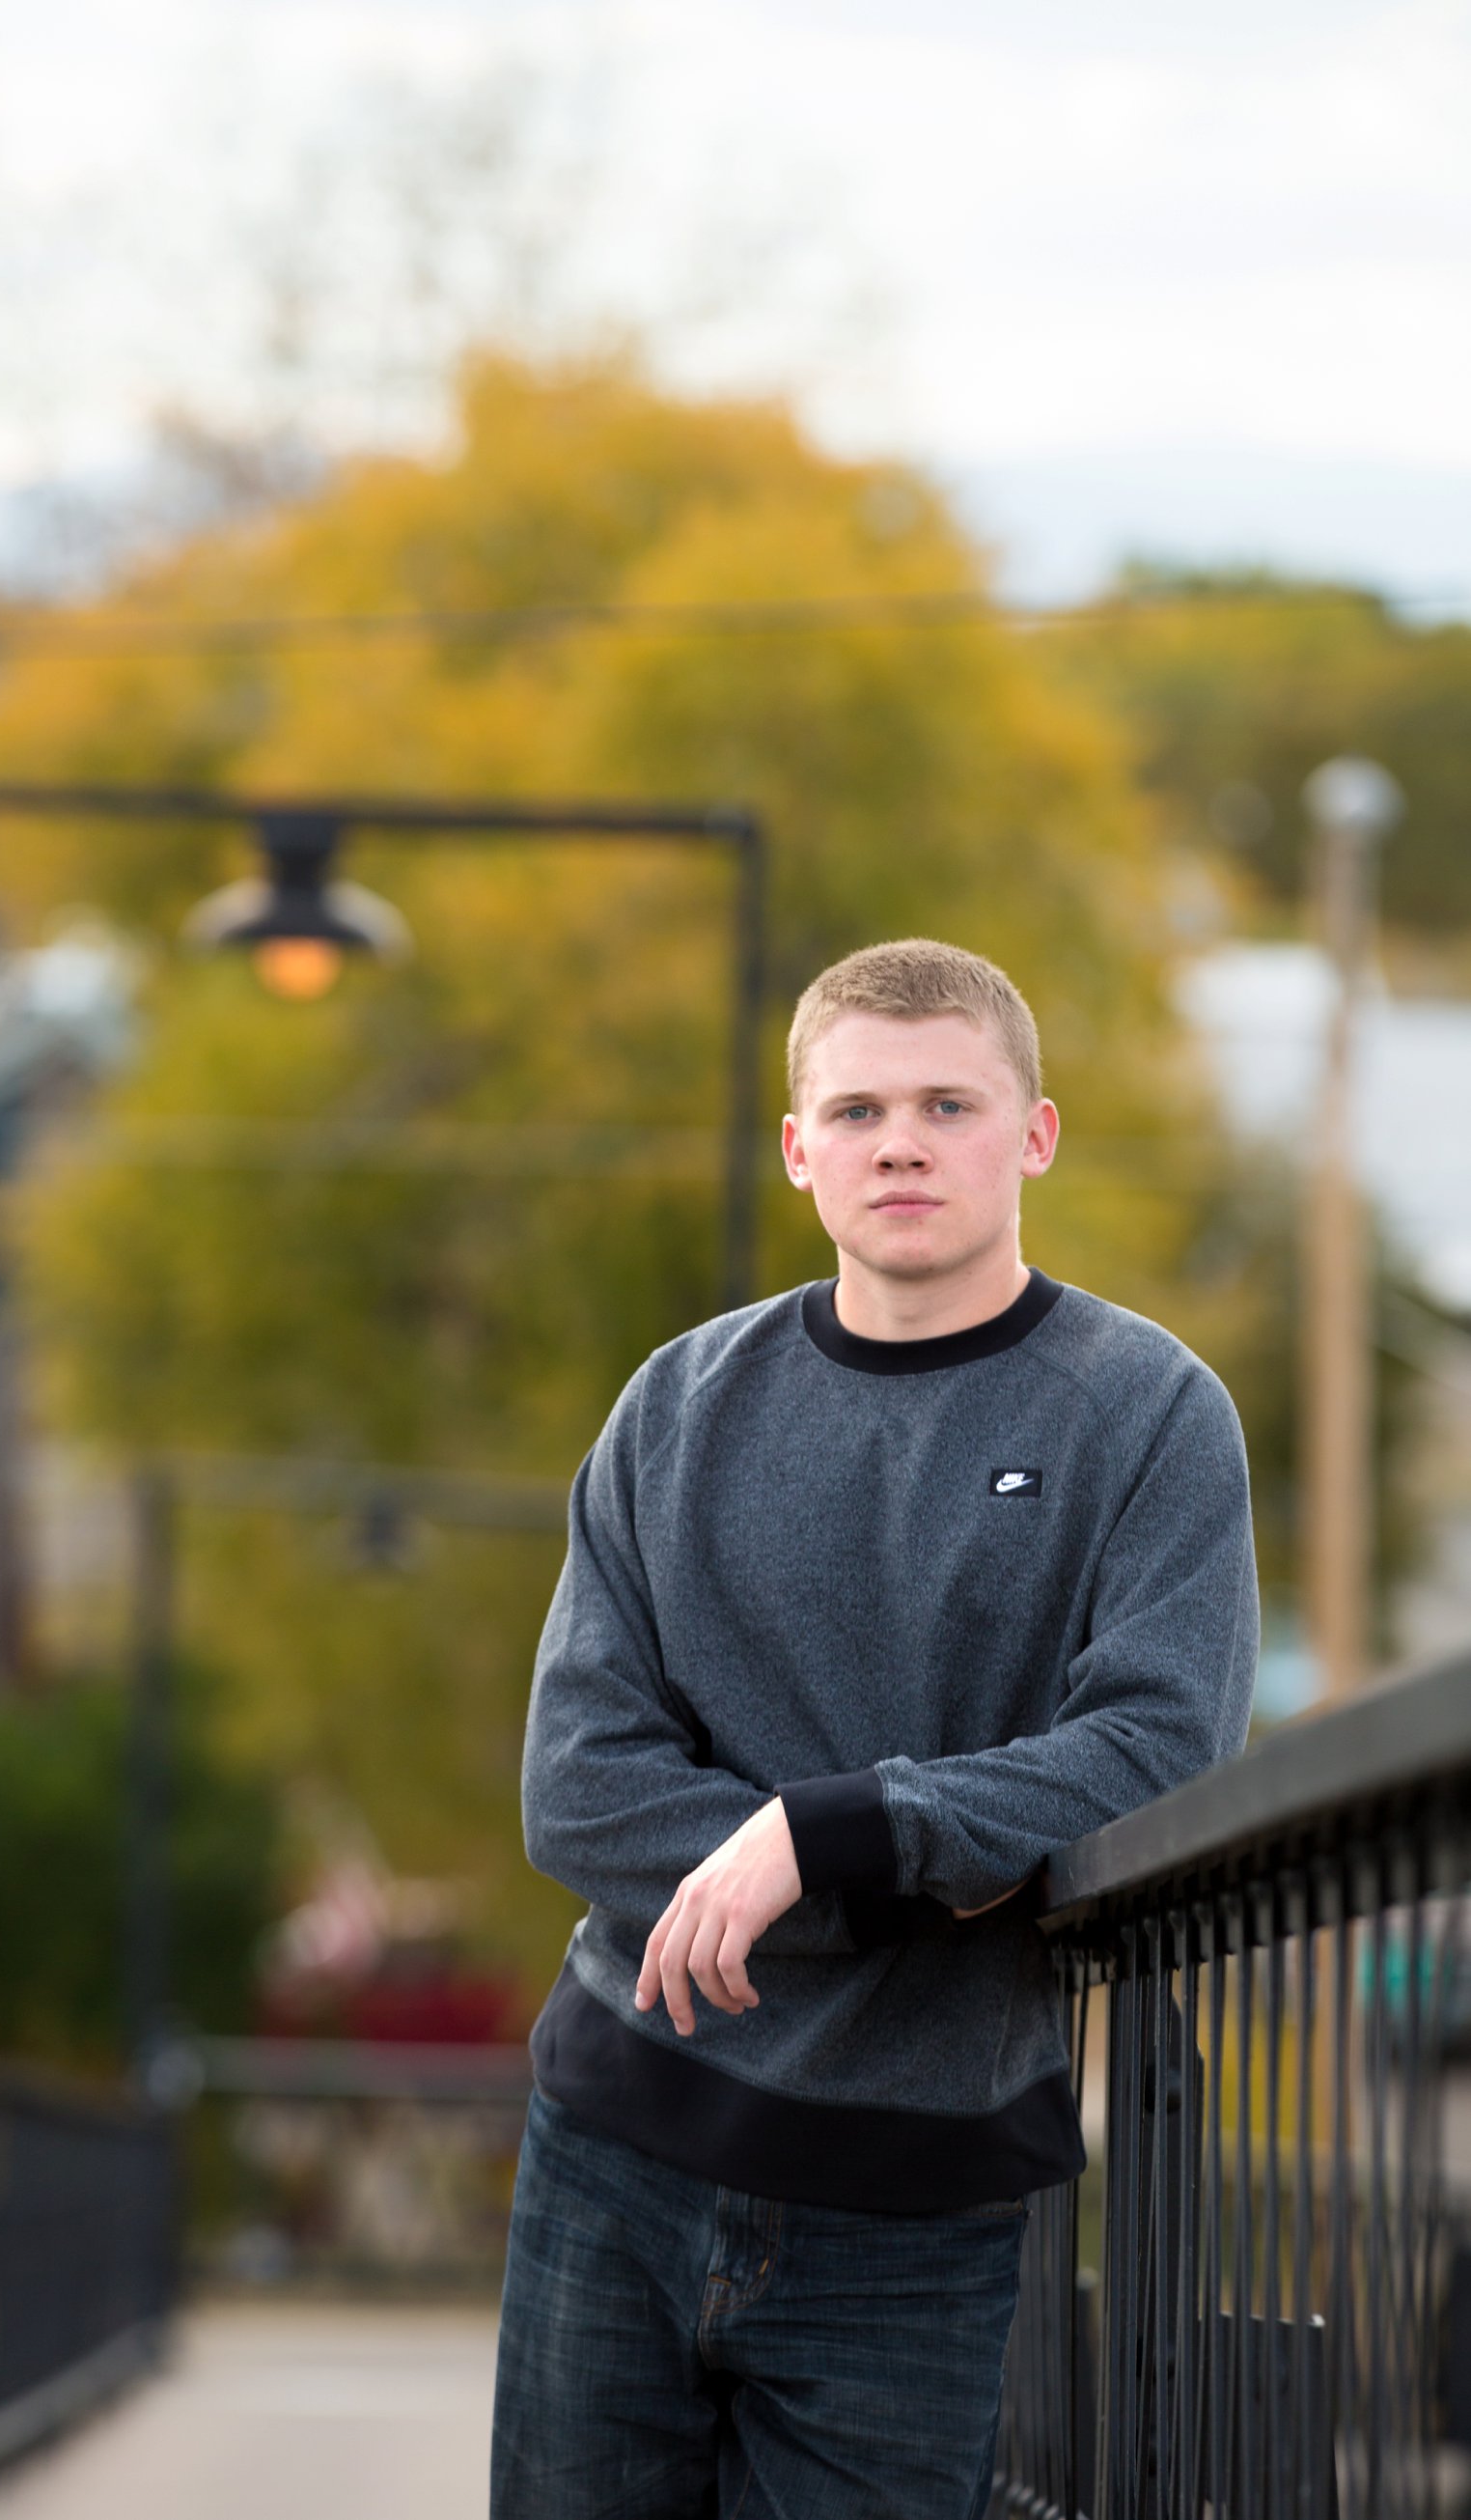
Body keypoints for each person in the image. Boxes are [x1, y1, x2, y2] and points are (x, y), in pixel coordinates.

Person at [491, 938, 1258, 2520]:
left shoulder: (1148, 1412)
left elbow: (1161, 1742)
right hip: (617, 2144)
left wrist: (821, 1837)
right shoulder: (677, 1405)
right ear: (799, 1152)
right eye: (854, 1111)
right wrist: (938, 1876)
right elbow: (576, 1781)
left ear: (1032, 1133)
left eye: (945, 1103)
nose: (897, 1140)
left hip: (913, 2205)